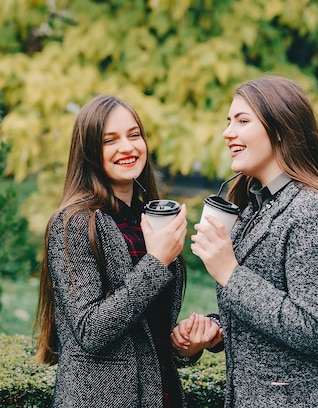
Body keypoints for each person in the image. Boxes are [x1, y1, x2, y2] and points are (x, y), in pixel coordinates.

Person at [174, 76, 318, 407]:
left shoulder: (314, 212)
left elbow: (314, 330)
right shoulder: (254, 205)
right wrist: (214, 333)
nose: (227, 132)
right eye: (229, 121)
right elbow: (268, 316)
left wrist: (229, 272)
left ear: (280, 130)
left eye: (242, 121)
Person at [34, 94, 219, 408]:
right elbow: (90, 330)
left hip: (161, 395)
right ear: (90, 151)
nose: (128, 147)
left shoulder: (149, 219)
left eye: (134, 135)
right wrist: (157, 262)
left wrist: (185, 345)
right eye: (110, 140)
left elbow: (149, 332)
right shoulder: (74, 224)